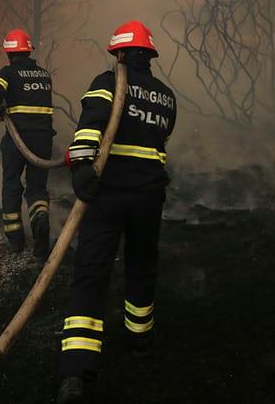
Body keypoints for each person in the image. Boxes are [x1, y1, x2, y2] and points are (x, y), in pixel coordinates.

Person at [56, 21, 177, 404]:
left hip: (107, 195)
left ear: (119, 53)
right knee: (142, 265)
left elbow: (90, 128)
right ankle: (140, 339)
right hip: (148, 197)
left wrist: (79, 169)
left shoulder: (107, 82)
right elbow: (159, 139)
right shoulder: (166, 96)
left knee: (91, 272)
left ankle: (76, 370)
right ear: (149, 56)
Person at [0, 29, 54, 259]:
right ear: (28, 50)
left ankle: (16, 239)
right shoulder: (44, 75)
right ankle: (40, 221)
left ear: (9, 52)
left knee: (12, 184)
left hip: (17, 139)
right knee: (37, 187)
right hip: (43, 140)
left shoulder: (8, 73)